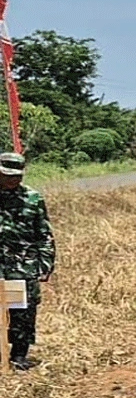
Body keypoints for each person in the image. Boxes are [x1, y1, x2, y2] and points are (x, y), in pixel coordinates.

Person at [0, 152, 55, 371]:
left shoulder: (33, 198)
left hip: (22, 266)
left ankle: (19, 355)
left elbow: (44, 234)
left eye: (17, 176)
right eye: (8, 175)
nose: (14, 179)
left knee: (22, 311)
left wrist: (46, 263)